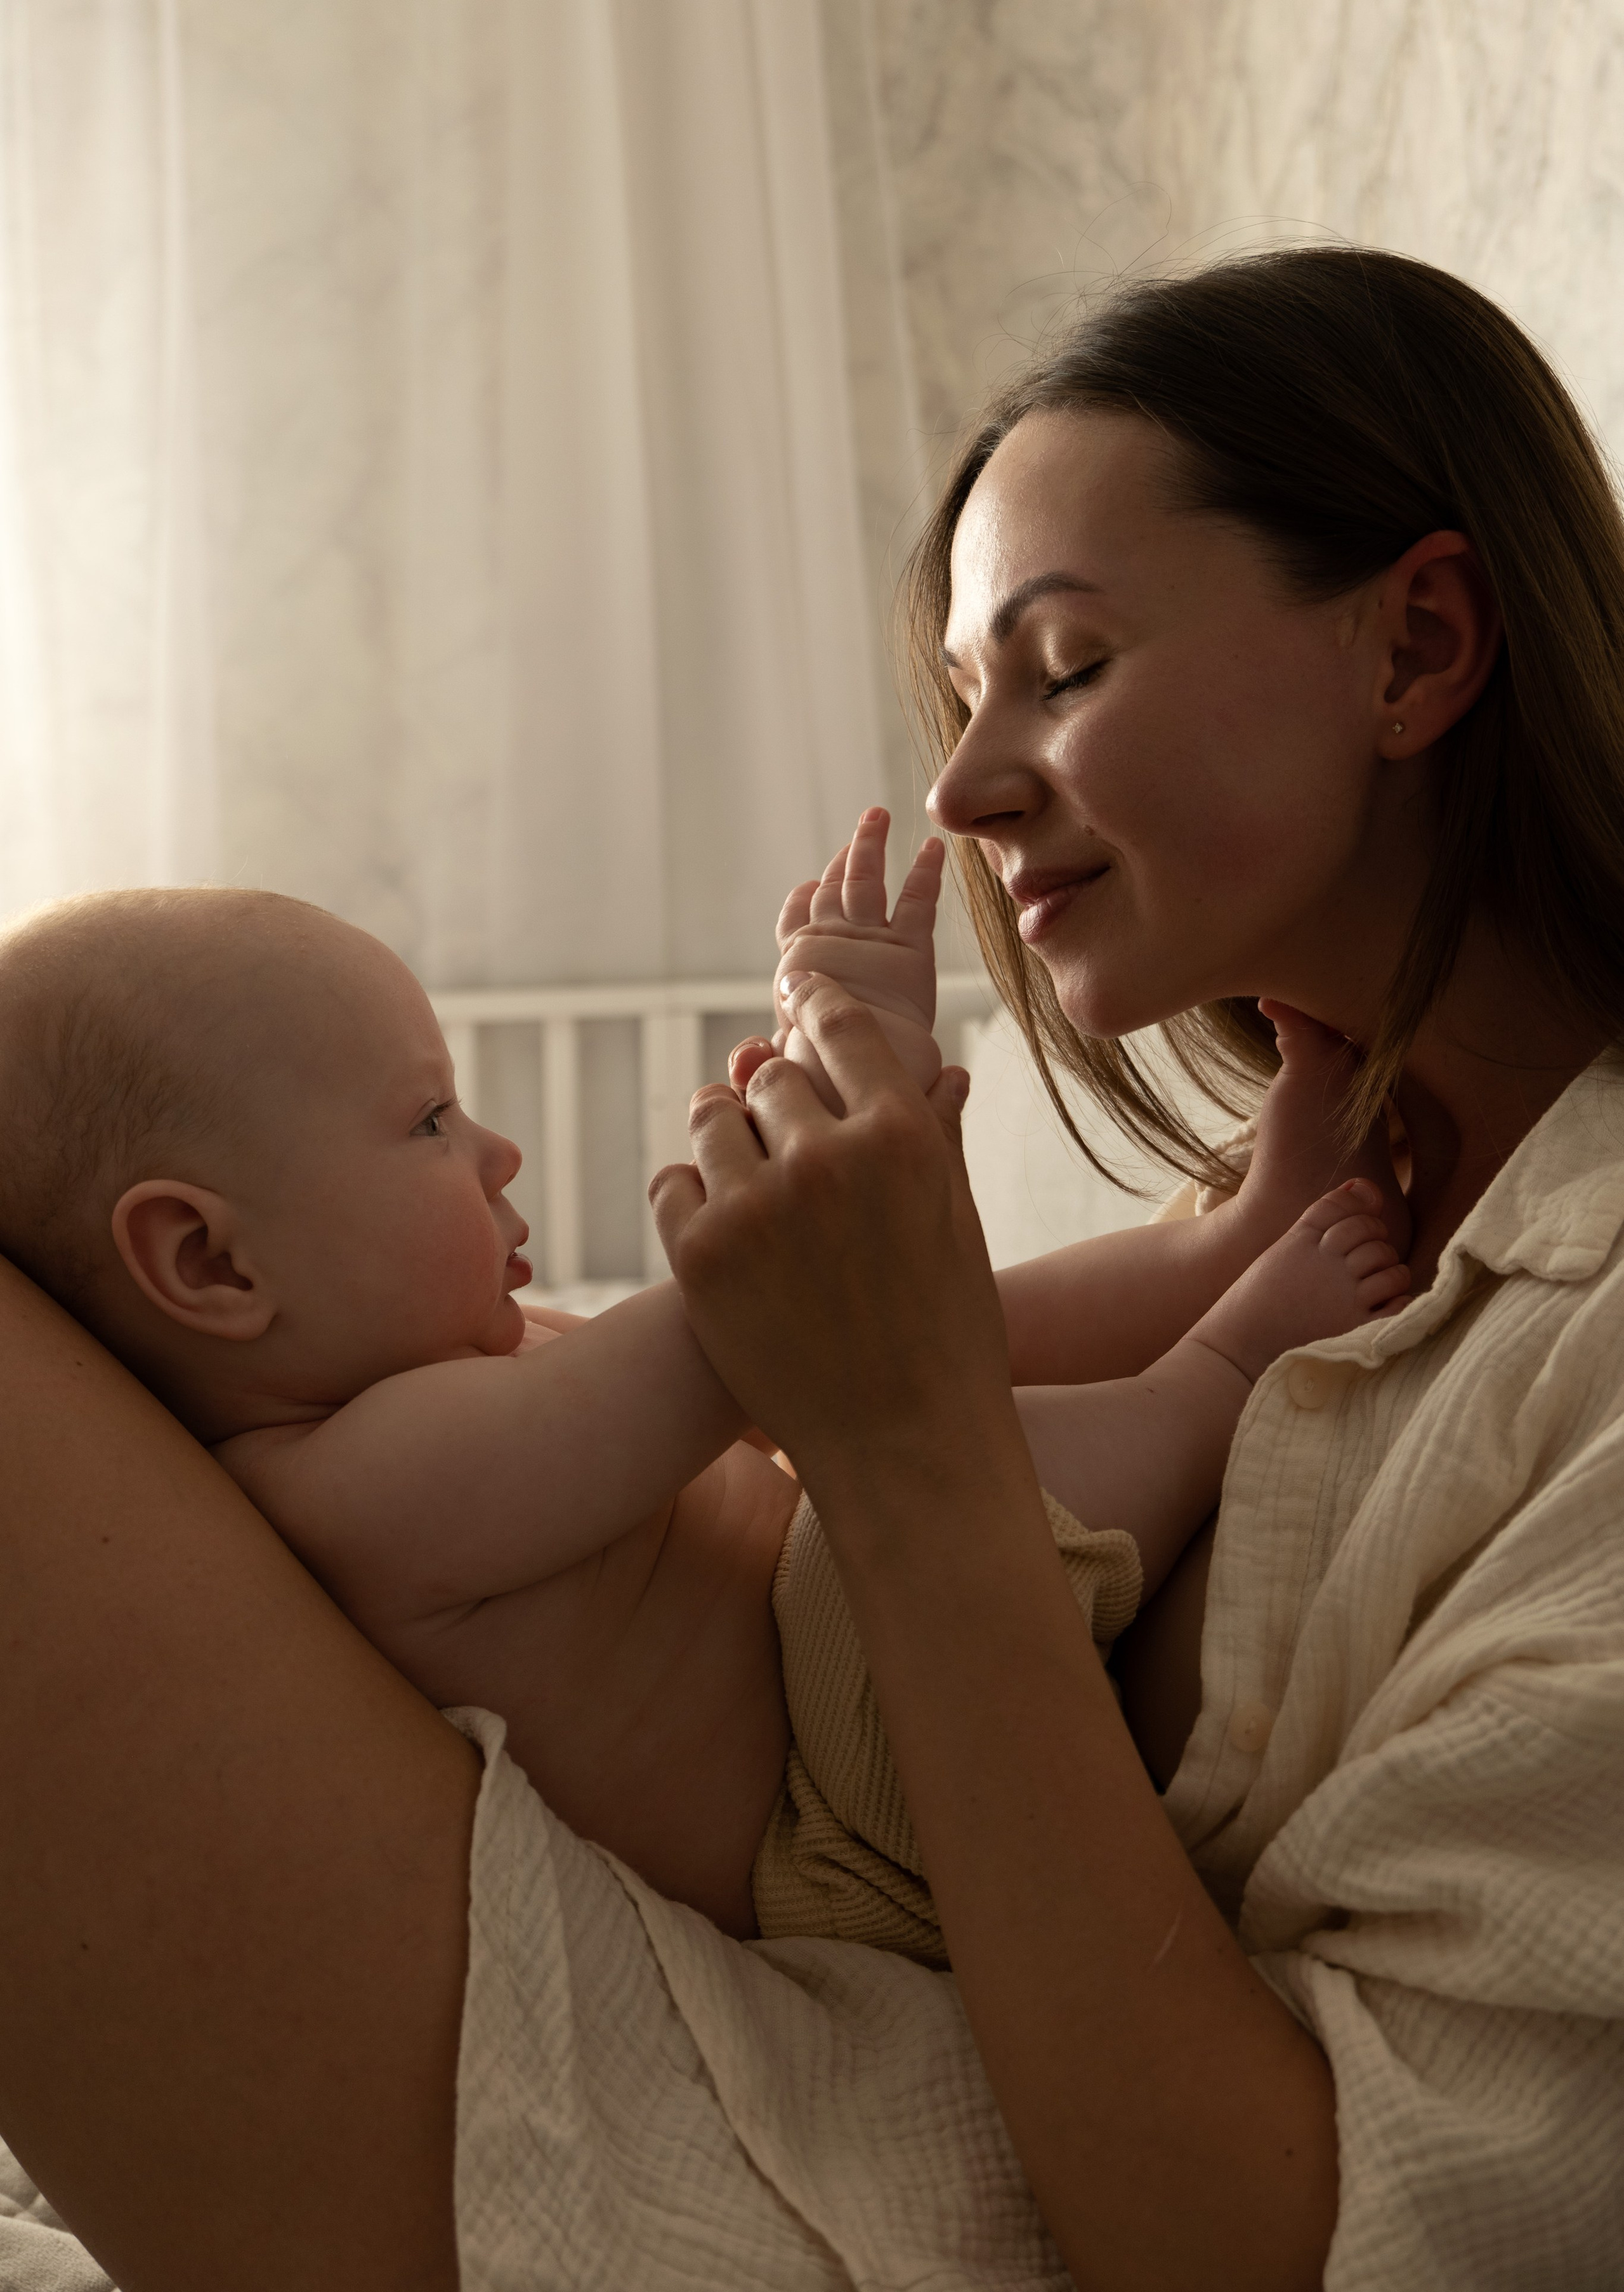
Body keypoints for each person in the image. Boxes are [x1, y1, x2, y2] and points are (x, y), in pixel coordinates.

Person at [1, 243, 1621, 2291]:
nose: (956, 783)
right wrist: (948, 1321)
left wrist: (907, 1427)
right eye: (964, 700)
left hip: (867, 2159)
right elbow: (936, 1353)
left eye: (1063, 663)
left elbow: (1312, 2241)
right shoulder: (1380, 1184)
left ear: (1418, 648)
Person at [0, 830, 1403, 1965]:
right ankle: (1220, 1369)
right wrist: (856, 1058)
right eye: (426, 1121)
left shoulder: (461, 1376)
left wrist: (842, 1096)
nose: (493, 1151)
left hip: (878, 1664)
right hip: (862, 1793)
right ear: (209, 1262)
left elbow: (859, 1340)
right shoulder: (353, 1491)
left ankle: (1218, 1249)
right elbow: (772, 1319)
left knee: (909, 1367)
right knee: (912, 1426)